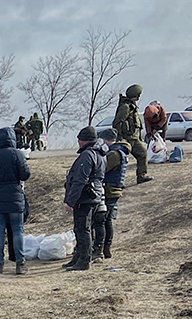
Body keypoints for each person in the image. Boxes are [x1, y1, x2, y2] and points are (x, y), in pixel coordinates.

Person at [0, 127, 30, 275]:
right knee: (17, 230)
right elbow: (25, 174)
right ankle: (20, 263)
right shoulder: (17, 154)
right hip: (15, 196)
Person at [63, 126, 106, 272]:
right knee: (83, 229)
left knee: (83, 230)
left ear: (83, 140)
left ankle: (83, 260)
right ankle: (78, 257)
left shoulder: (87, 155)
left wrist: (71, 201)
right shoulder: (100, 154)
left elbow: (80, 180)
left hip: (85, 198)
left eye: (79, 139)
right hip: (94, 196)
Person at [97, 128, 128, 261]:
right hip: (113, 189)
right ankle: (105, 248)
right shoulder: (118, 152)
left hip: (110, 190)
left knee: (104, 220)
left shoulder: (114, 154)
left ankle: (105, 248)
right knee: (106, 220)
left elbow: (102, 170)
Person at [112, 84, 151, 184]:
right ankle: (117, 182)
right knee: (120, 160)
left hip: (134, 139)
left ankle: (141, 176)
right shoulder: (125, 107)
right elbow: (117, 122)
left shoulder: (132, 106)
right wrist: (120, 138)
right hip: (126, 139)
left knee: (143, 154)